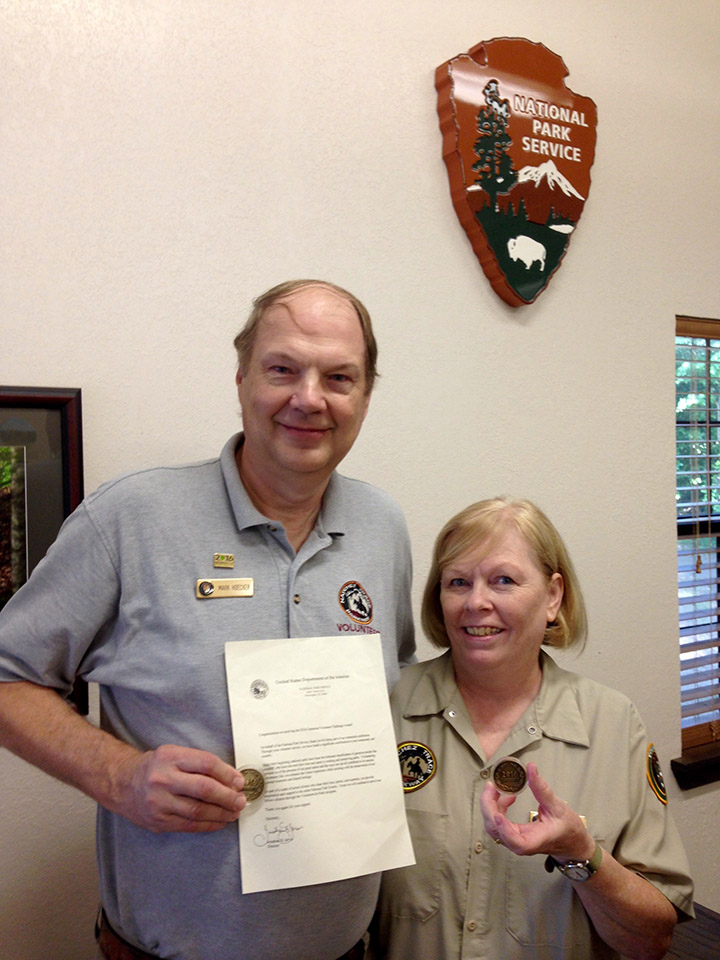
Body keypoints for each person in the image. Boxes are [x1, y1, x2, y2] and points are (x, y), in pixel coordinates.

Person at [0, 279, 415, 960]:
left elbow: (393, 686)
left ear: (366, 396)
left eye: (339, 377)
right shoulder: (130, 519)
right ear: (242, 378)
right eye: (283, 369)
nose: (309, 398)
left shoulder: (383, 526)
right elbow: (6, 676)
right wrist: (122, 779)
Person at [370, 498, 693, 960]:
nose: (476, 602)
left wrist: (579, 853)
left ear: (553, 597)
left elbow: (651, 940)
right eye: (458, 582)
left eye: (503, 580)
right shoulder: (385, 709)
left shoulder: (613, 724)